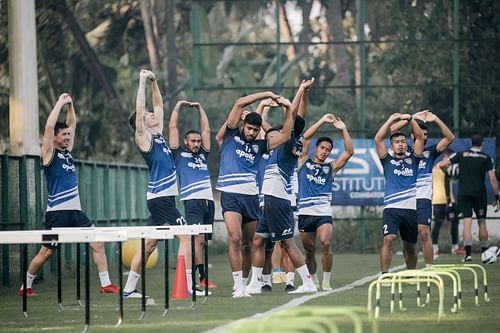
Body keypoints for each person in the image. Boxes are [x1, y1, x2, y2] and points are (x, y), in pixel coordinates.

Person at [19, 93, 119, 296]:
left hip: (76, 212)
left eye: (68, 135)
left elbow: (73, 124)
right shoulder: (49, 154)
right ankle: (25, 286)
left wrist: (71, 105)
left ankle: (106, 284)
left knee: (97, 242)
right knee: (46, 252)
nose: (67, 137)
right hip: (58, 213)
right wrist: (59, 104)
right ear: (55, 137)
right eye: (63, 135)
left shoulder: (67, 153)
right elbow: (48, 128)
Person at [216, 90, 292, 298]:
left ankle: (247, 283)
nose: (251, 132)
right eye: (249, 128)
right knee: (235, 237)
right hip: (230, 195)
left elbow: (285, 135)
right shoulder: (231, 136)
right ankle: (238, 286)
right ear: (243, 126)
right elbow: (239, 102)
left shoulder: (260, 145)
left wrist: (287, 108)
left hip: (251, 198)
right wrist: (266, 95)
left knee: (249, 243)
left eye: (255, 129)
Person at [123, 69, 191, 298]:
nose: (153, 114)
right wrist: (142, 80)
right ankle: (187, 286)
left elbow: (159, 105)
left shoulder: (159, 135)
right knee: (187, 236)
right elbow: (141, 108)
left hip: (162, 200)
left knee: (149, 246)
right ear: (141, 123)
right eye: (148, 115)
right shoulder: (144, 138)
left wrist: (154, 82)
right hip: (161, 200)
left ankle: (128, 289)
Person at [247, 79, 315, 294]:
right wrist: (302, 94)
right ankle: (256, 283)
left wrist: (299, 91)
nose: (271, 133)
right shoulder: (279, 143)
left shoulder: (289, 143)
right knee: (258, 241)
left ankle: (308, 283)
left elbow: (293, 115)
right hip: (270, 199)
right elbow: (285, 122)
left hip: (277, 198)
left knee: (286, 243)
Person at [390, 110, 454, 267]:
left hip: (423, 199)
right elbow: (391, 131)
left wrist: (436, 118)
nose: (423, 136)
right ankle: (410, 270)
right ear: (412, 135)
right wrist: (411, 118)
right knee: (407, 242)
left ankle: (429, 269)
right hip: (406, 199)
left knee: (424, 233)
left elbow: (450, 138)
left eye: (426, 134)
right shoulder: (404, 150)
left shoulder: (430, 153)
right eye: (420, 133)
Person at [297, 113, 354, 291]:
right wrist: (322, 120)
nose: (324, 152)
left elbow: (349, 152)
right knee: (309, 250)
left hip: (323, 213)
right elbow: (305, 137)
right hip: (305, 212)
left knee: (326, 243)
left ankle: (326, 280)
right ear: (316, 148)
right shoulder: (303, 161)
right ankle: (313, 279)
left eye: (328, 150)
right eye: (322, 148)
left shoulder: (331, 167)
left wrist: (343, 129)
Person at [168, 100, 217, 289]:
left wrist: (199, 108)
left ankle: (199, 278)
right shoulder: (179, 155)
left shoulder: (203, 155)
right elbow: (172, 126)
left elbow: (207, 131)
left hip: (208, 202)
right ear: (186, 142)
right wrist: (178, 106)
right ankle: (202, 279)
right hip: (192, 201)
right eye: (193, 141)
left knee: (202, 242)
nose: (196, 144)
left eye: (198, 142)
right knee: (196, 239)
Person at [374, 113, 425, 274]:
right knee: (388, 239)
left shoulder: (414, 159)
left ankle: (410, 274)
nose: (400, 145)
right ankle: (385, 275)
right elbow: (378, 139)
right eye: (396, 142)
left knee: (410, 246)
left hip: (410, 210)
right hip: (391, 209)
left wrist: (410, 119)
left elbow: (420, 138)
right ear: (392, 146)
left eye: (403, 141)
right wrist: (390, 119)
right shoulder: (387, 160)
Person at [444, 133, 500, 262]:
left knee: (466, 223)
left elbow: (443, 164)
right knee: (482, 221)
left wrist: (451, 174)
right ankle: (485, 253)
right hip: (479, 194)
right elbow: (492, 178)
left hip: (464, 193)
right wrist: (497, 194)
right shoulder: (486, 158)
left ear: (470, 143)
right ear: (482, 144)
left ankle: (467, 255)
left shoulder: (461, 155)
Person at [431, 149, 464, 257]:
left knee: (440, 224)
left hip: (437, 200)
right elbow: (451, 180)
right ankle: (454, 247)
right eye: (450, 158)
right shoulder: (446, 168)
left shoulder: (434, 168)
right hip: (447, 200)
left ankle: (436, 248)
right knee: (452, 223)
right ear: (446, 158)